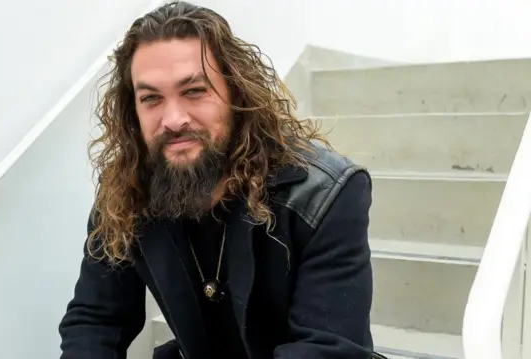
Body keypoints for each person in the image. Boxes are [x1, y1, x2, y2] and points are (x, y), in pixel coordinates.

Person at [59, 1, 379, 359]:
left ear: (236, 94)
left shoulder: (324, 193)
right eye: (151, 98)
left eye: (194, 91)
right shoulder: (125, 192)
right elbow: (95, 321)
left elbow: (326, 349)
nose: (174, 119)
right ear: (132, 112)